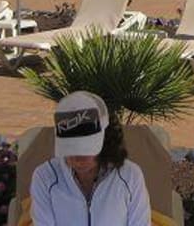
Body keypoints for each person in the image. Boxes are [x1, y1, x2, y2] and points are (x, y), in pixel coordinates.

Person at [31, 91, 150, 226]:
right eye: (70, 149)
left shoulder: (131, 176)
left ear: (105, 141)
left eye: (86, 148)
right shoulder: (44, 177)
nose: (78, 159)